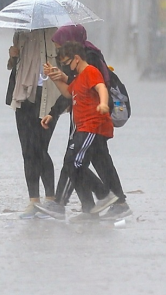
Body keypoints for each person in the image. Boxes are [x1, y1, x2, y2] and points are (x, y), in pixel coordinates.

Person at [34, 25, 128, 220]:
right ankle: (101, 205)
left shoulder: (89, 60)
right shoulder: (80, 61)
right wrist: (57, 83)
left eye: (61, 46)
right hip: (86, 119)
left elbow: (96, 85)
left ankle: (66, 203)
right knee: (97, 162)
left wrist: (102, 103)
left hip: (92, 120)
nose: (59, 50)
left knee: (73, 162)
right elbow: (73, 90)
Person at [6, 28, 62, 219]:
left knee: (40, 148)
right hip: (23, 95)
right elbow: (13, 66)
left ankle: (51, 199)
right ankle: (34, 201)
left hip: (48, 96)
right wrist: (13, 56)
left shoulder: (55, 34)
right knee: (27, 150)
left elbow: (66, 64)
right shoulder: (20, 33)